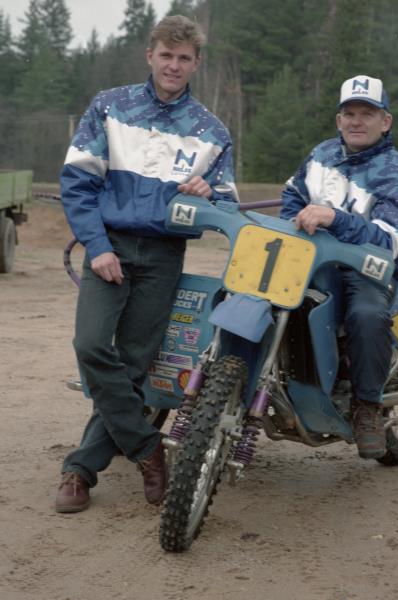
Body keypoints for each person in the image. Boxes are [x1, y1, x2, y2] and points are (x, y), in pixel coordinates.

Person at [55, 15, 237, 513]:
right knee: (91, 346)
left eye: (184, 58)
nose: (174, 65)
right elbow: (78, 183)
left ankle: (80, 470)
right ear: (150, 55)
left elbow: (228, 201)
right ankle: (146, 446)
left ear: (196, 63)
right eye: (166, 55)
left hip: (163, 254)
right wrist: (98, 246)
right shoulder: (110, 107)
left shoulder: (212, 131)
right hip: (108, 245)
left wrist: (209, 193)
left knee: (135, 365)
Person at [280, 74, 398, 459]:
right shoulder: (320, 154)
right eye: (349, 113)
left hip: (367, 267)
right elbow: (292, 195)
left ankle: (367, 406)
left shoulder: (392, 169)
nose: (356, 121)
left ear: (385, 121)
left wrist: (335, 219)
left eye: (367, 113)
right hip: (313, 256)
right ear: (339, 120)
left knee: (367, 314)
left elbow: (388, 239)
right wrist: (294, 221)